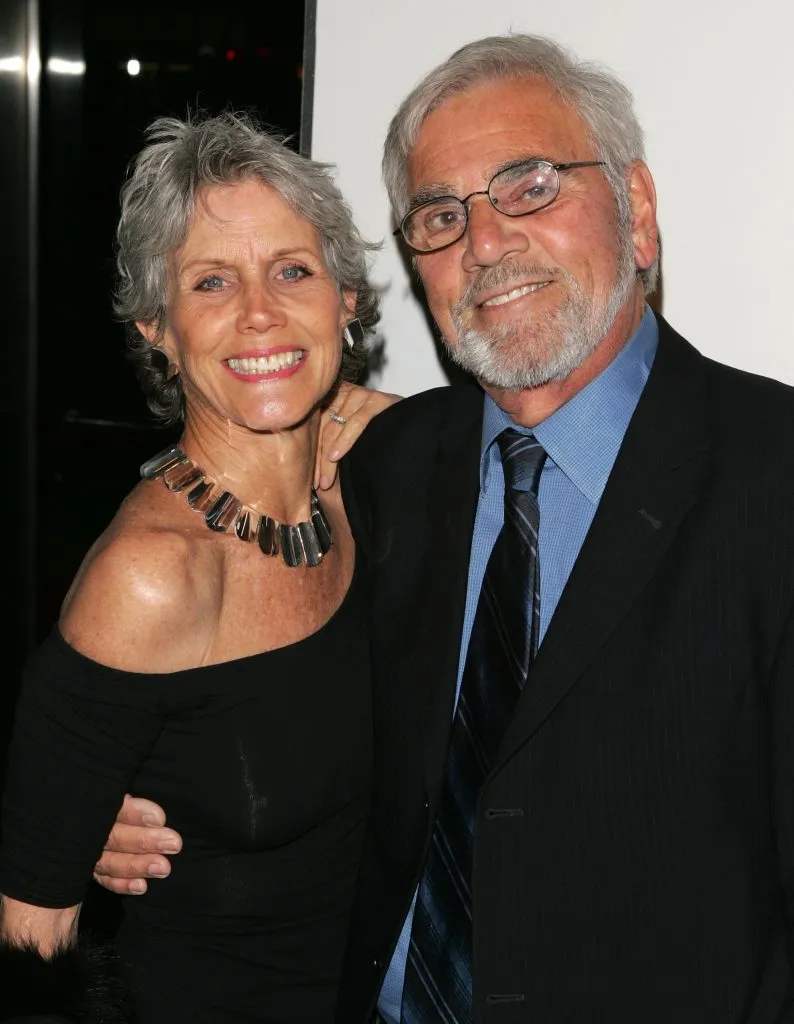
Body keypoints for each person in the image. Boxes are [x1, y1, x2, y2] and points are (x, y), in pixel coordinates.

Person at [94, 33, 794, 1024]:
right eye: (438, 213)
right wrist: (113, 792)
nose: (483, 240)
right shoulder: (376, 475)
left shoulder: (771, 477)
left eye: (529, 185)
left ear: (635, 211)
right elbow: (268, 708)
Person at [0, 111, 398, 1022]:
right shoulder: (151, 576)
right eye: (212, 281)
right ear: (157, 330)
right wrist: (82, 828)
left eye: (293, 271)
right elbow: (29, 946)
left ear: (346, 300)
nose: (261, 311)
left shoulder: (382, 484)